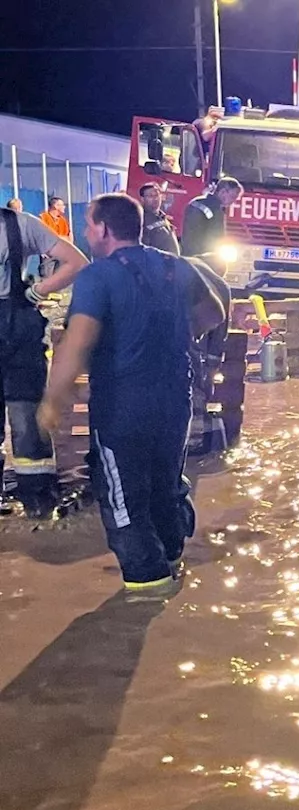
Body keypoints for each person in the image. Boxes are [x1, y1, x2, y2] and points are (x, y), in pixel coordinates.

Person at [37, 194, 225, 599]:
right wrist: (171, 337)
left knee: (123, 498)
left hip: (123, 406)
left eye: (88, 225)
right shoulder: (177, 266)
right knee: (164, 483)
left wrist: (53, 400)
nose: (86, 233)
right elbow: (214, 313)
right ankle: (173, 561)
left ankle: (146, 593)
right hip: (176, 400)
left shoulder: (97, 276)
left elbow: (78, 340)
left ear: (104, 229)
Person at [0, 202, 87, 514]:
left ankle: (38, 501)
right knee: (26, 421)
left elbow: (76, 261)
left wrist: (38, 291)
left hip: (17, 336)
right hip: (16, 333)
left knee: (26, 419)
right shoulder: (18, 225)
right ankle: (36, 503)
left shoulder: (21, 224)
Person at [180, 177, 243, 257]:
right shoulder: (215, 209)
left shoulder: (195, 202)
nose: (233, 202)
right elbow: (216, 237)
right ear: (223, 192)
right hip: (205, 259)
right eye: (232, 197)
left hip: (187, 256)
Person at [139, 183, 181, 255]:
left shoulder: (163, 217)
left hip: (172, 263)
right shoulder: (141, 219)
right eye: (150, 196)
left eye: (157, 195)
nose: (155, 198)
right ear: (142, 199)